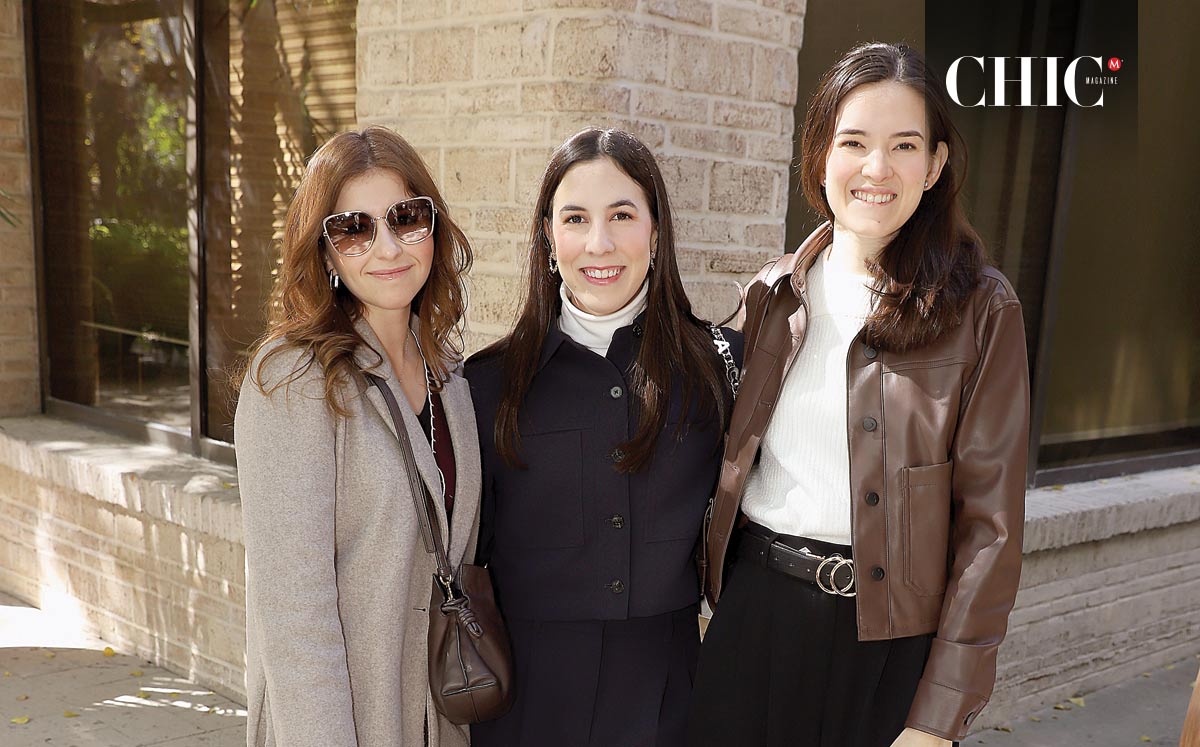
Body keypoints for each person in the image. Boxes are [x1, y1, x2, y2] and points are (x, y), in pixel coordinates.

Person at [688, 42, 1030, 747]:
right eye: (854, 142)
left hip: (890, 649)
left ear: (935, 165)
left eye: (904, 145)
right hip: (756, 621)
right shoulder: (773, 295)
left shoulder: (981, 309)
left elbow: (990, 531)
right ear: (820, 155)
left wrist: (938, 716)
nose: (877, 168)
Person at [465, 127, 742, 747]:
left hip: (669, 694)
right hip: (525, 700)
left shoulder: (720, 369)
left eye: (622, 214)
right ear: (547, 233)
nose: (600, 243)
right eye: (575, 217)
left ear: (655, 228)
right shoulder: (486, 386)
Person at [234, 126, 478, 747]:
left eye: (406, 218)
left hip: (435, 717)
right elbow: (295, 615)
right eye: (354, 228)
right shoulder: (292, 380)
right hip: (342, 723)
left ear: (433, 225)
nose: (388, 247)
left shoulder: (448, 375)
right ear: (324, 250)